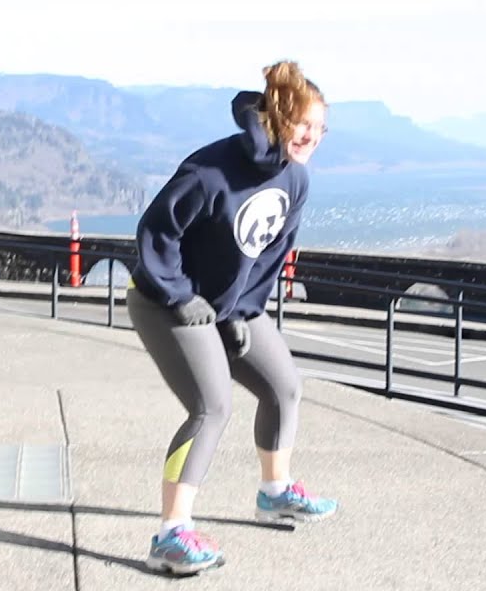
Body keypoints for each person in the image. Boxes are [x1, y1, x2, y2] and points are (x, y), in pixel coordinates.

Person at [126, 60, 338, 575]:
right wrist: (178, 295)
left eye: (321, 128)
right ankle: (171, 535)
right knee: (211, 406)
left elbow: (270, 254)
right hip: (162, 300)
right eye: (304, 124)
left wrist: (241, 312)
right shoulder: (212, 171)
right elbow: (157, 233)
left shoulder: (297, 179)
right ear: (280, 118)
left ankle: (276, 491)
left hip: (223, 306)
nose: (312, 137)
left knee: (283, 383)